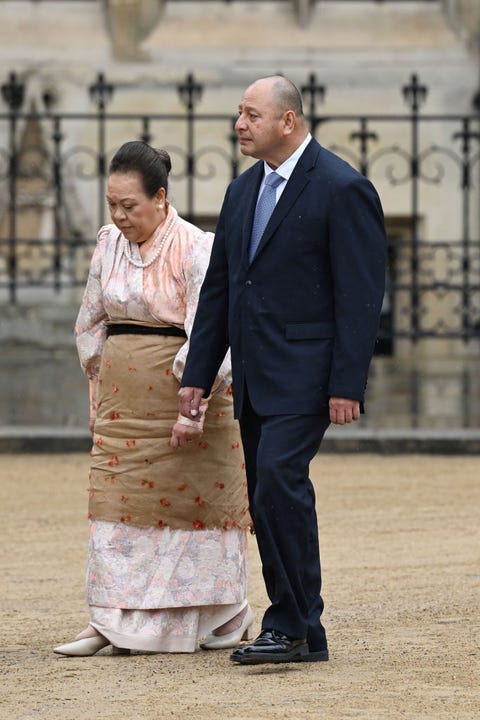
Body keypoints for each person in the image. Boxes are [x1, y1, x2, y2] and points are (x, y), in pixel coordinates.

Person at [175, 76, 387, 665]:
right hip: (255, 376)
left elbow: (362, 295)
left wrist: (348, 384)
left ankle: (291, 623)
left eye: (250, 115)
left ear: (287, 122)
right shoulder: (243, 192)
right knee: (268, 494)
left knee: (277, 482)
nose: (239, 124)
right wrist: (197, 374)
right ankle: (301, 633)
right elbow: (220, 291)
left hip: (310, 375)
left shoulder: (343, 187)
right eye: (239, 114)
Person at [54, 141, 252, 657]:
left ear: (161, 198)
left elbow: (211, 330)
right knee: (115, 506)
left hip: (185, 400)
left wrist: (195, 406)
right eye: (112, 204)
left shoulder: (194, 247)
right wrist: (99, 385)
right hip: (124, 405)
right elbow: (91, 319)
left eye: (130, 206)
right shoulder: (107, 243)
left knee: (195, 510)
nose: (119, 216)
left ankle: (215, 617)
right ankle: (108, 618)